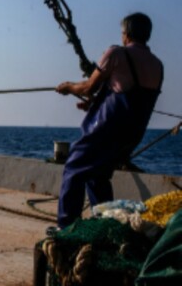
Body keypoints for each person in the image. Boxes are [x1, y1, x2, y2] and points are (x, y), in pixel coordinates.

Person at [54, 12, 163, 229]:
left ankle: (65, 229)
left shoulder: (116, 53)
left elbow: (88, 88)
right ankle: (105, 226)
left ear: (127, 34)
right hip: (131, 136)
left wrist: (67, 88)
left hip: (106, 131)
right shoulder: (158, 65)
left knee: (74, 169)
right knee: (98, 176)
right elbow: (126, 94)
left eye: (123, 32)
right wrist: (93, 104)